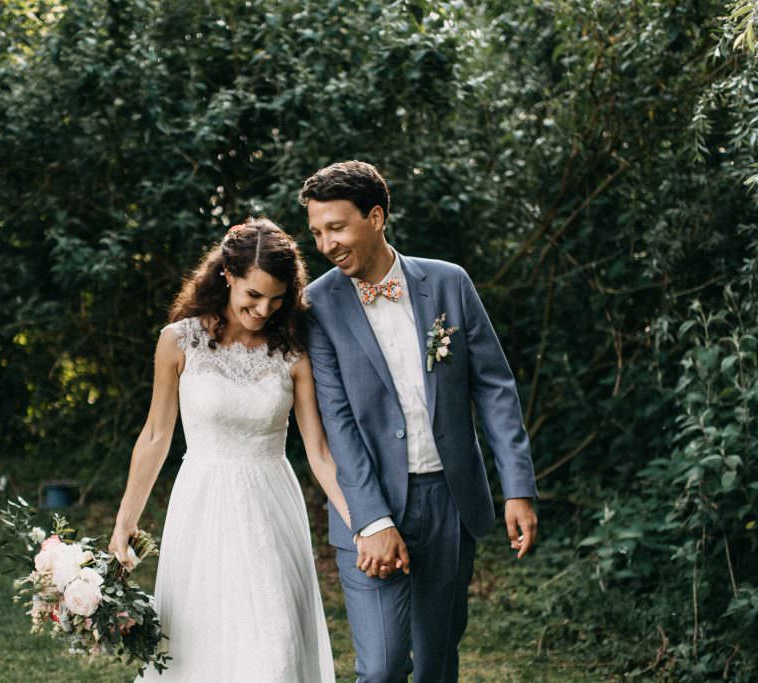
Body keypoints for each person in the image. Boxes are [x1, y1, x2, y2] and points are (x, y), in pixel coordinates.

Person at [301, 160, 540, 682]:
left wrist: (517, 488)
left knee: (435, 665)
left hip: (451, 502)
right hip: (369, 504)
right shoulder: (316, 304)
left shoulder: (449, 283)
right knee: (383, 668)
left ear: (377, 216)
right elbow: (336, 420)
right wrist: (372, 520)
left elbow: (495, 387)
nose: (326, 244)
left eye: (337, 227)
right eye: (317, 232)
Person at [109, 218, 348, 682]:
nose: (263, 310)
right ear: (227, 276)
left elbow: (318, 451)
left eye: (277, 300)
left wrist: (360, 524)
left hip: (271, 510)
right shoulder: (178, 342)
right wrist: (125, 524)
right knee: (203, 645)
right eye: (253, 296)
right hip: (203, 507)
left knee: (276, 642)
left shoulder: (291, 352)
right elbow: (156, 436)